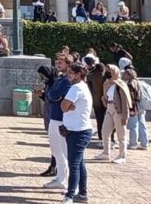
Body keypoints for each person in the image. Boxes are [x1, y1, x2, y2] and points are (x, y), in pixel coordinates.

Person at [60, 63, 93, 204]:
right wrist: (66, 104)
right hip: (78, 130)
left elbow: (63, 106)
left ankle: (70, 196)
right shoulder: (83, 86)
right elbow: (66, 106)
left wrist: (65, 103)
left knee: (74, 164)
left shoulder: (76, 87)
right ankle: (83, 193)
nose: (68, 77)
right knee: (79, 163)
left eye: (71, 74)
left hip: (78, 132)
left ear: (78, 74)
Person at [41, 54, 72, 188]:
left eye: (61, 63)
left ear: (68, 64)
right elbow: (51, 95)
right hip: (54, 116)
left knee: (63, 151)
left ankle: (67, 180)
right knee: (56, 150)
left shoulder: (67, 81)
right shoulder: (60, 79)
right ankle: (60, 177)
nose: (58, 65)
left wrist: (52, 95)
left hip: (61, 118)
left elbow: (53, 94)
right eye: (57, 62)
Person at [95, 64, 132, 164]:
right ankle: (106, 153)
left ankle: (122, 155)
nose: (107, 72)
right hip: (109, 109)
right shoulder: (107, 83)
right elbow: (106, 97)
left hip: (118, 110)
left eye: (109, 70)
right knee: (105, 131)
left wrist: (125, 115)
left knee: (121, 134)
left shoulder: (120, 84)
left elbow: (125, 102)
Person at [123, 68, 149, 150]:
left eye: (125, 74)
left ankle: (133, 144)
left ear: (128, 75)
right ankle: (145, 143)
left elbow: (131, 97)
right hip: (141, 106)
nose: (123, 76)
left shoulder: (130, 84)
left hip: (134, 107)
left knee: (133, 125)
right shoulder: (140, 82)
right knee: (142, 125)